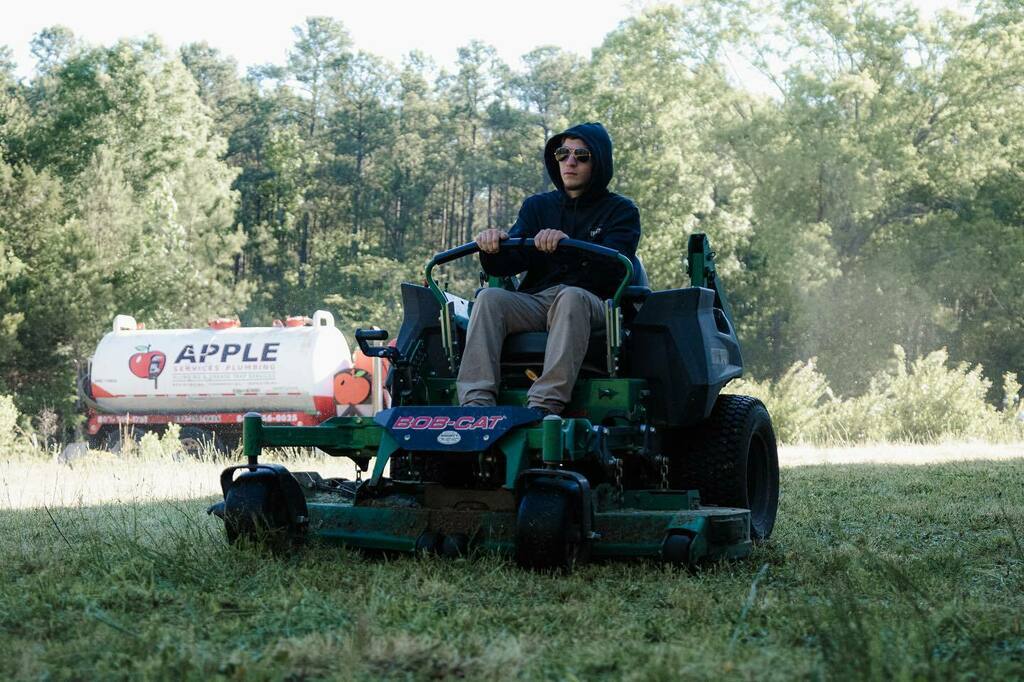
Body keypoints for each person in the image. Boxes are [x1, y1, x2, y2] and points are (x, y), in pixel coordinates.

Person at [456, 122, 642, 415]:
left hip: (594, 304)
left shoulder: (621, 211)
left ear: (599, 162)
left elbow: (614, 271)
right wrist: (492, 248)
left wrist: (567, 246)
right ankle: (476, 404)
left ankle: (544, 405)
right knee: (489, 298)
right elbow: (509, 263)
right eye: (563, 154)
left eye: (581, 156)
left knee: (571, 297)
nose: (570, 162)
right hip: (538, 301)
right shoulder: (537, 207)